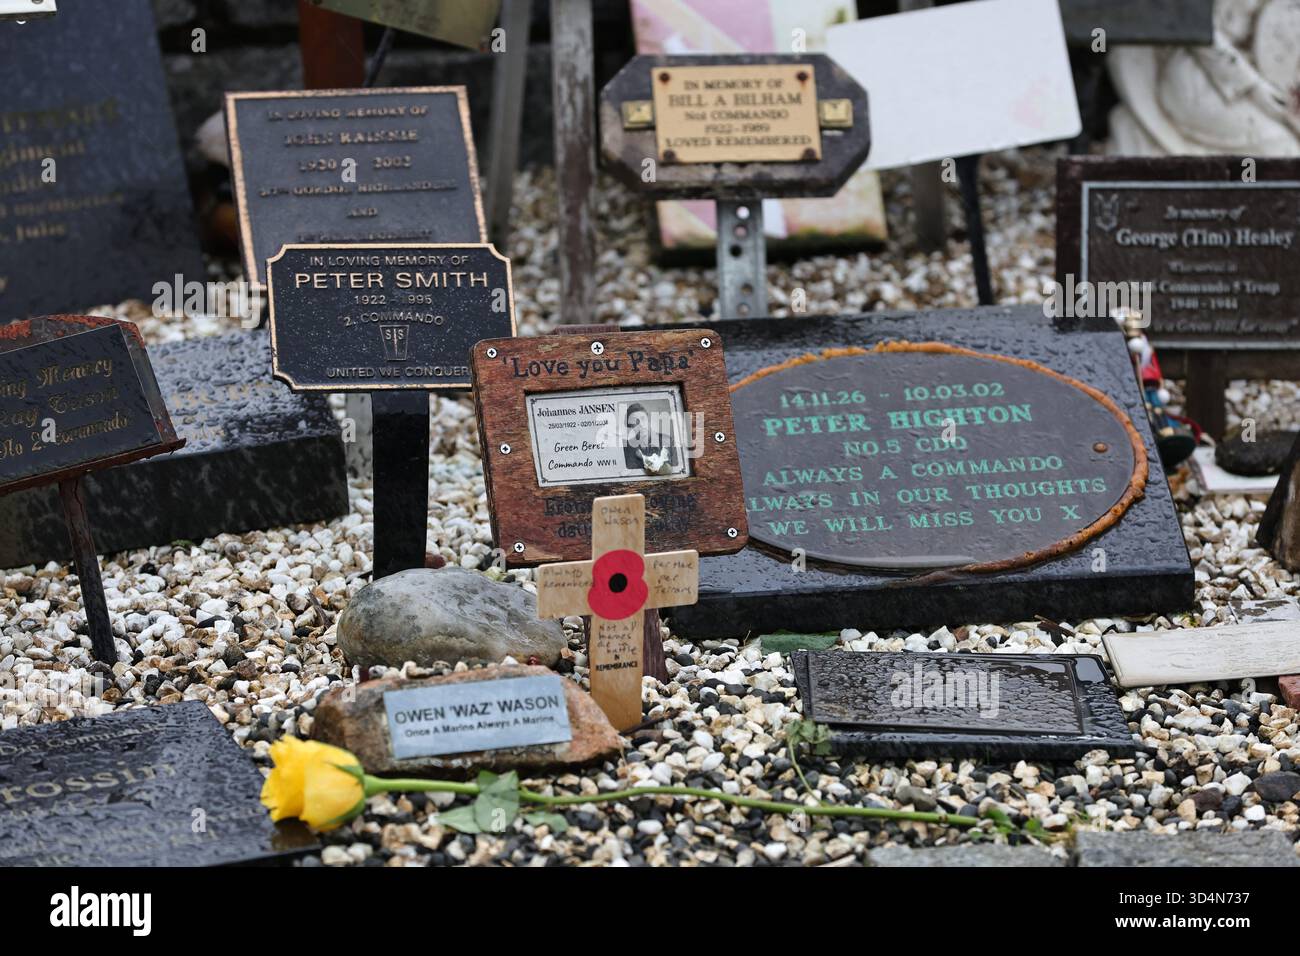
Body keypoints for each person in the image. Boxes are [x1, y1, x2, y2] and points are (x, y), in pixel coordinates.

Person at [622, 402, 679, 474]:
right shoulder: (628, 448)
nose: (641, 425)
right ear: (631, 426)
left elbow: (675, 471)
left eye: (643, 419)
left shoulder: (667, 441)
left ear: (648, 419)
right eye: (635, 422)